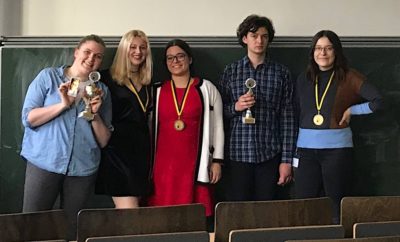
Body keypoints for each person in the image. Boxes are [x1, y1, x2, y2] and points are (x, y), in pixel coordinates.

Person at [20, 34, 112, 240]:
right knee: (32, 224)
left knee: (74, 230)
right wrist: (63, 104)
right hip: (44, 163)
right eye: (87, 52)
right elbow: (29, 118)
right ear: (76, 52)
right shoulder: (49, 77)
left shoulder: (101, 91)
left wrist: (94, 114)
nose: (91, 59)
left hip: (82, 169)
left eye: (98, 56)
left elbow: (104, 140)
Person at [294, 30, 383, 224]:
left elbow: (378, 101)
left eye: (328, 48)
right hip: (305, 152)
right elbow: (295, 114)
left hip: (337, 151)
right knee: (304, 203)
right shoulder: (304, 79)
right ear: (312, 53)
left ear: (336, 51)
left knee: (337, 203)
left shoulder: (349, 76)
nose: (322, 53)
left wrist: (352, 111)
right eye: (318, 48)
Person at [218, 14, 297, 202]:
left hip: (269, 154)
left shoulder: (281, 73)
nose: (259, 40)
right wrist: (236, 107)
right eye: (254, 36)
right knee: (238, 211)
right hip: (237, 153)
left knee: (267, 212)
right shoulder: (231, 71)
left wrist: (286, 160)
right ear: (245, 39)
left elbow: (287, 119)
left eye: (264, 36)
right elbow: (217, 113)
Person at [147, 39, 224, 218]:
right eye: (170, 58)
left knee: (192, 218)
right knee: (161, 217)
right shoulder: (156, 91)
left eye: (180, 56)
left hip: (195, 164)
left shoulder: (206, 88)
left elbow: (219, 125)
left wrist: (217, 161)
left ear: (189, 59)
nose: (175, 61)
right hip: (162, 167)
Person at [95, 30, 153, 208]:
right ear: (123, 50)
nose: (138, 52)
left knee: (135, 216)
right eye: (133, 47)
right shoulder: (105, 78)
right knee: (130, 215)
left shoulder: (147, 82)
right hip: (117, 154)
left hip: (142, 155)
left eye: (143, 48)